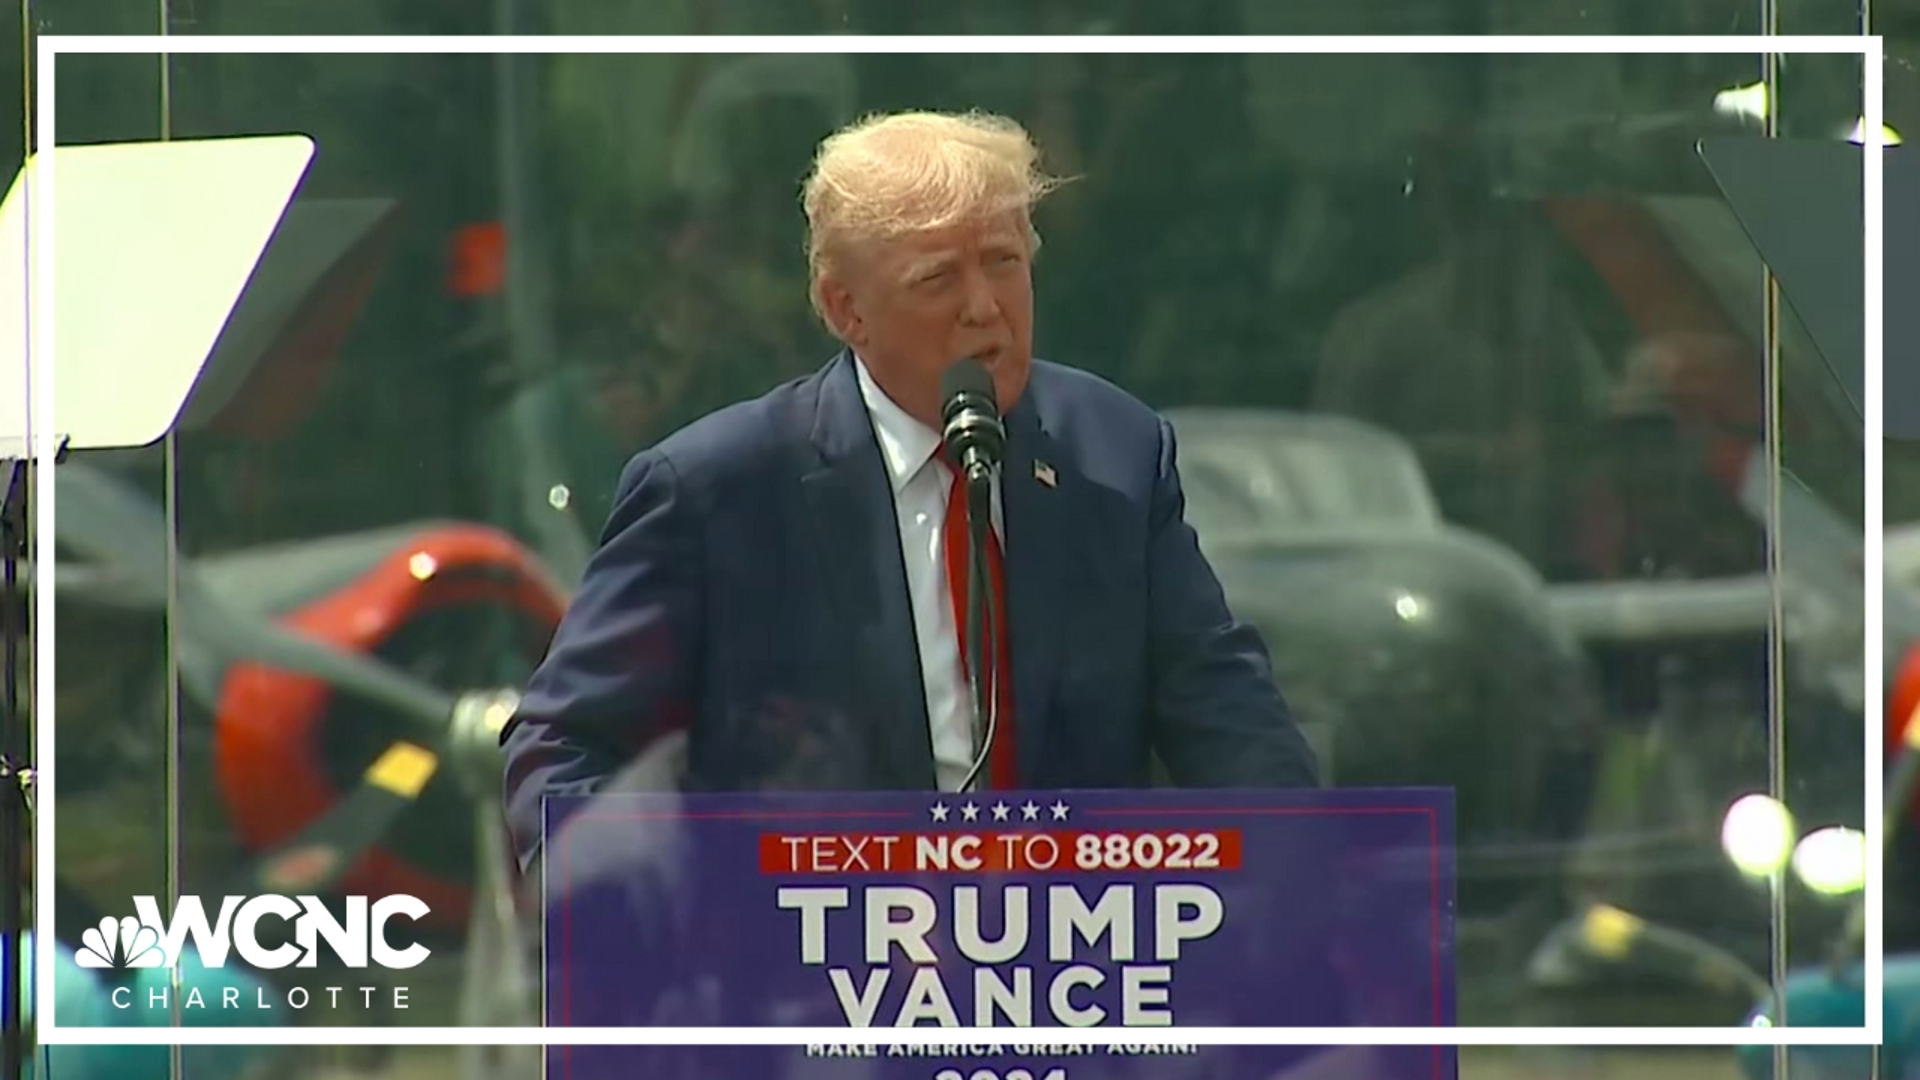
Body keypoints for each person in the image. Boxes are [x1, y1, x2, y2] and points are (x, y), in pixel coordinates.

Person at [500, 109, 1319, 872]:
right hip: (809, 985)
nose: (984, 307)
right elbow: (563, 749)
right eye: (938, 279)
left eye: (1004, 262)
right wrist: (654, 914)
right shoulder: (716, 490)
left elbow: (1223, 705)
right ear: (844, 309)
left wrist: (1310, 878)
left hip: (1074, 967)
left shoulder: (1117, 451)